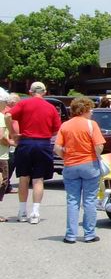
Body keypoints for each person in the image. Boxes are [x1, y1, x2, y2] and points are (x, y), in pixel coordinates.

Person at [5, 81, 61, 224]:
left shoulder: (23, 104)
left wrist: (12, 134)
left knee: (23, 177)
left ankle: (22, 211)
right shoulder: (51, 108)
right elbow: (56, 129)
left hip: (25, 142)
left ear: (30, 92)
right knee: (38, 179)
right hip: (43, 144)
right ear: (45, 92)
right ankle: (35, 212)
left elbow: (7, 116)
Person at [54, 97, 106, 243]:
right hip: (89, 164)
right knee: (89, 200)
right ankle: (89, 234)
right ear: (84, 110)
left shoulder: (65, 126)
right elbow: (99, 146)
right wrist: (96, 156)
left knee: (72, 200)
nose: (91, 112)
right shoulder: (91, 125)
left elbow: (57, 148)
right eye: (90, 109)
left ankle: (70, 235)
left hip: (70, 165)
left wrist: (67, 156)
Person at [5, 93, 19, 194]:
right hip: (9, 143)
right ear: (13, 103)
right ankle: (6, 186)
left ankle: (7, 185)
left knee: (11, 164)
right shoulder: (7, 112)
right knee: (9, 164)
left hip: (12, 142)